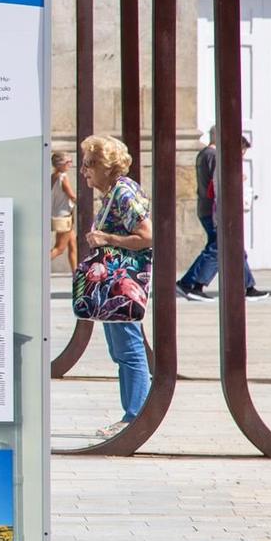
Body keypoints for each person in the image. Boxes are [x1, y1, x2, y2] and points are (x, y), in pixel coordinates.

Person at [82, 134, 153, 440]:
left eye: (89, 164)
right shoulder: (115, 192)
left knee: (129, 348)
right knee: (121, 349)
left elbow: (148, 236)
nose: (84, 170)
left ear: (105, 166)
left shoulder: (123, 193)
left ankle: (135, 417)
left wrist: (107, 239)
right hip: (114, 284)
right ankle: (133, 414)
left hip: (122, 283)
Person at [176, 127, 265, 301]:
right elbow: (219, 185)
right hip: (216, 210)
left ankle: (247, 286)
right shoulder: (215, 156)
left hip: (207, 208)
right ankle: (191, 283)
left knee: (233, 247)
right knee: (219, 246)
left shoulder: (203, 154)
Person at [49, 151, 76, 270]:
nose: (70, 164)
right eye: (68, 162)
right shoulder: (63, 177)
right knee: (59, 249)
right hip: (64, 217)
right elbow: (72, 195)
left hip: (59, 215)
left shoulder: (53, 176)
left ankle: (76, 275)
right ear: (60, 164)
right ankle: (36, 266)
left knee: (73, 245)